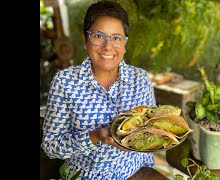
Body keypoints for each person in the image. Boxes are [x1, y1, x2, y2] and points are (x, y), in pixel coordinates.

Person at [41, 1, 157, 179]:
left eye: (116, 38)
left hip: (136, 173)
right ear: (85, 39)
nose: (108, 46)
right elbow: (51, 147)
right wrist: (95, 136)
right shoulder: (64, 82)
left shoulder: (140, 79)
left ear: (125, 43)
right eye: (98, 36)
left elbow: (151, 129)